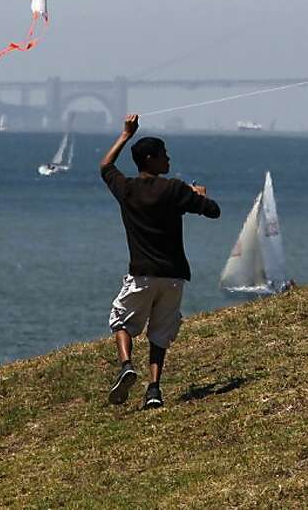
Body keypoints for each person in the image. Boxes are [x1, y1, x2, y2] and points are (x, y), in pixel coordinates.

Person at [100, 114, 221, 409]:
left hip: (141, 274)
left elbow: (105, 167)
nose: (169, 159)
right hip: (173, 276)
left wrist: (126, 134)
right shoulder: (175, 189)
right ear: (151, 159)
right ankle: (153, 389)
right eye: (164, 155)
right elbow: (214, 211)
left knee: (121, 321)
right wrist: (200, 195)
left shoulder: (126, 189)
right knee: (160, 334)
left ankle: (127, 364)